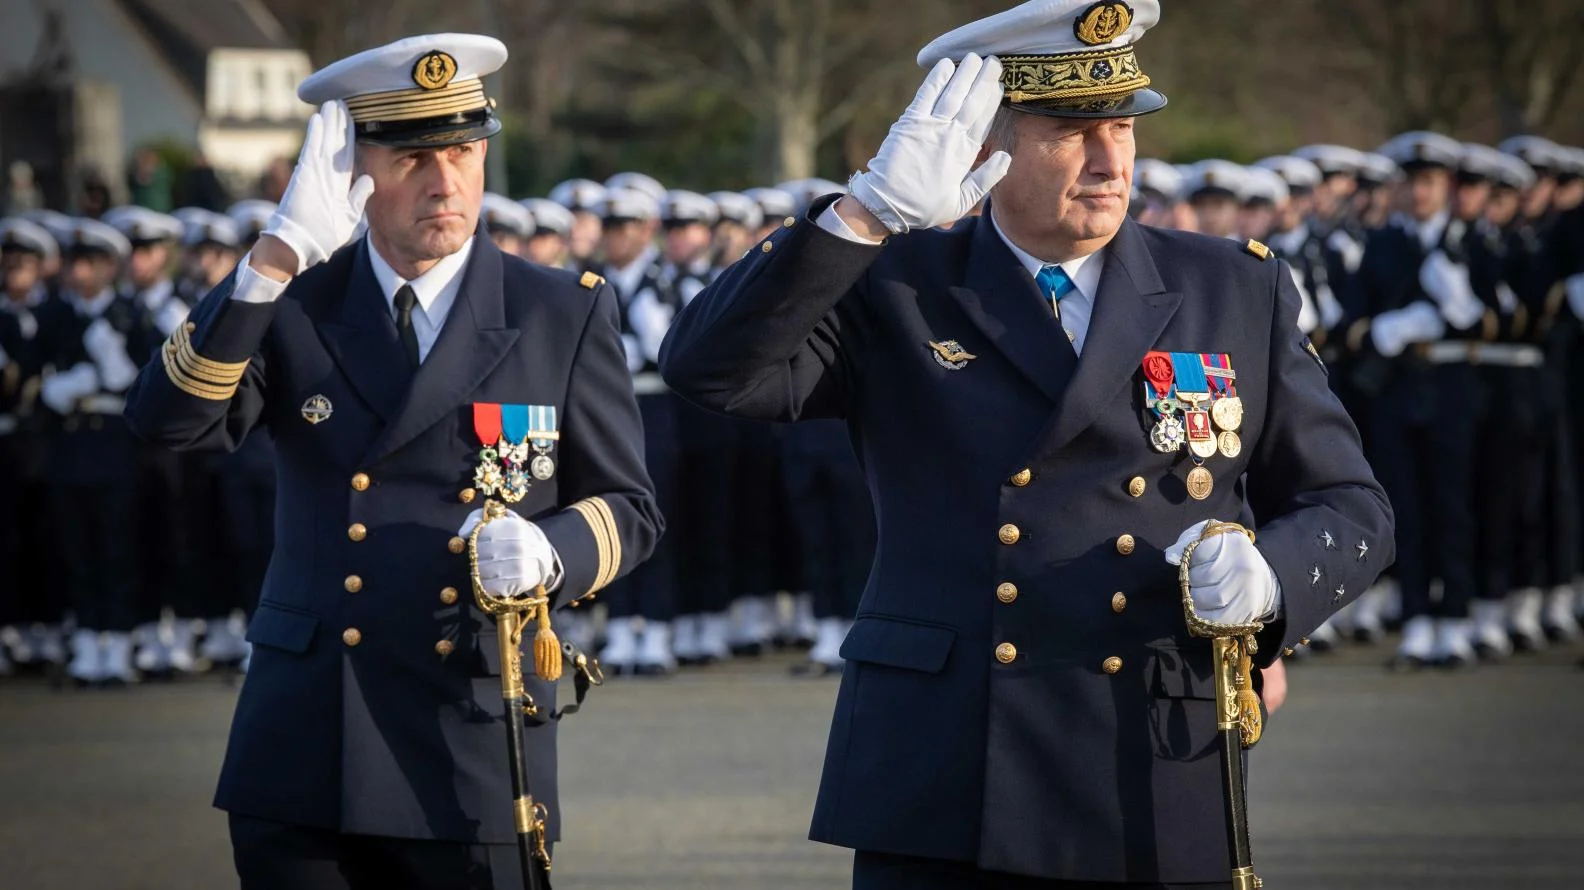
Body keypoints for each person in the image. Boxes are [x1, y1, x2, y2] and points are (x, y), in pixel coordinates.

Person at [660, 1, 1393, 886]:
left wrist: (1272, 578)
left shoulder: (1231, 286)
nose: (1110, 159)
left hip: (1150, 754)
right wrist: (861, 215)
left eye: (1122, 126)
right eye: (1069, 131)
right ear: (986, 146)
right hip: (949, 766)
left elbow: (1351, 507)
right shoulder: (894, 285)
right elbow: (709, 371)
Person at [122, 33, 659, 889]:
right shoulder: (295, 302)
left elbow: (630, 508)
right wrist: (272, 260)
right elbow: (165, 427)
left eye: (462, 151)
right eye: (412, 157)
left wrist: (557, 550)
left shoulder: (558, 310)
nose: (445, 182)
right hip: (310, 734)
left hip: (470, 736)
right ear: (354, 169)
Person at [36, 218, 145, 686]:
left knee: (117, 548)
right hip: (70, 445)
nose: (78, 273)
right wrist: (63, 387)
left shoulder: (129, 313)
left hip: (114, 444)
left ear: (106, 267)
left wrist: (110, 360)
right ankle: (86, 643)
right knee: (76, 548)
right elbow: (34, 375)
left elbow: (139, 382)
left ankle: (118, 644)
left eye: (88, 264)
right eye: (74, 263)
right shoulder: (58, 316)